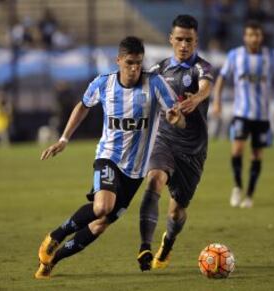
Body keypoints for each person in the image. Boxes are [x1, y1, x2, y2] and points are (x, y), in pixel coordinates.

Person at [35, 36, 185, 279]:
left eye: (138, 63)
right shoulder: (103, 84)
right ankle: (55, 236)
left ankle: (53, 259)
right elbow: (83, 106)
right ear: (118, 61)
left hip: (136, 170)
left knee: (101, 223)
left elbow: (178, 117)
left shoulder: (155, 84)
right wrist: (64, 139)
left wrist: (177, 119)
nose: (135, 68)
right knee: (103, 206)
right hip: (108, 156)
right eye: (129, 63)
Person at [137, 15, 213, 271]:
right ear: (171, 39)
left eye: (188, 40)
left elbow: (205, 87)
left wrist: (197, 99)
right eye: (179, 39)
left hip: (193, 151)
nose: (183, 45)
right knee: (154, 179)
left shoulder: (201, 67)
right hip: (165, 141)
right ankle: (144, 248)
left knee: (175, 212)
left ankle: (167, 243)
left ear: (196, 41)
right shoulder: (158, 71)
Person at [212, 20, 274, 208]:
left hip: (261, 115)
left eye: (257, 35)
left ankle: (250, 195)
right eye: (250, 35)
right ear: (245, 37)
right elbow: (221, 78)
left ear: (261, 37)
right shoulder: (235, 55)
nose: (254, 38)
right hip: (241, 113)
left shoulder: (271, 56)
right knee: (237, 149)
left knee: (256, 154)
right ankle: (237, 186)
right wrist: (217, 102)